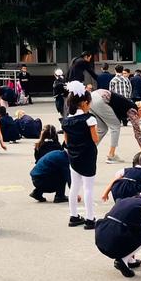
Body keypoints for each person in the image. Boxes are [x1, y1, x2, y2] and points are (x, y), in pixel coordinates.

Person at [62, 91, 100, 229]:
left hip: (73, 156)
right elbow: (95, 139)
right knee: (88, 188)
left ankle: (73, 216)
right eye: (89, 103)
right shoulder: (89, 119)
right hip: (88, 155)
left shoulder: (66, 121)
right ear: (84, 103)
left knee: (74, 186)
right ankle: (90, 219)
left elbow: (66, 141)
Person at [89, 89, 141, 163]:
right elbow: (137, 131)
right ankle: (111, 155)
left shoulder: (129, 103)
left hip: (92, 97)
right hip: (102, 99)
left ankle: (88, 151)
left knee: (102, 129)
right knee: (115, 126)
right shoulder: (133, 110)